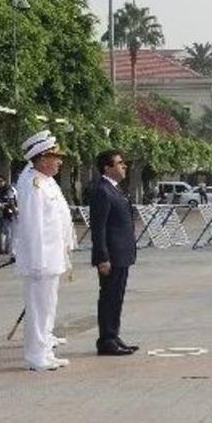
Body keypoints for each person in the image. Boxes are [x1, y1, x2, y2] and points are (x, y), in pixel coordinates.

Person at [12, 130, 76, 371]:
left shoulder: (46, 181)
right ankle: (35, 354)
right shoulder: (32, 183)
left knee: (47, 305)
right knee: (38, 308)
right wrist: (38, 261)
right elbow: (33, 225)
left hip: (52, 257)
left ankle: (45, 350)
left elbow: (60, 219)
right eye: (55, 157)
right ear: (42, 158)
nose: (60, 161)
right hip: (40, 259)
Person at [88, 150, 139, 357]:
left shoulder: (115, 189)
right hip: (112, 255)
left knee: (116, 297)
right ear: (107, 167)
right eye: (119, 163)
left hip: (122, 254)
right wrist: (102, 257)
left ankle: (113, 335)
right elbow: (98, 227)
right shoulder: (102, 190)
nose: (124, 166)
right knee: (109, 297)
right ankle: (106, 339)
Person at [0, 175, 17, 255]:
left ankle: (7, 249)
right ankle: (0, 249)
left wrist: (3, 205)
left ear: (4, 181)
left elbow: (11, 201)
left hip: (7, 214)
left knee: (7, 232)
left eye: (1, 181)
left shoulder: (9, 190)